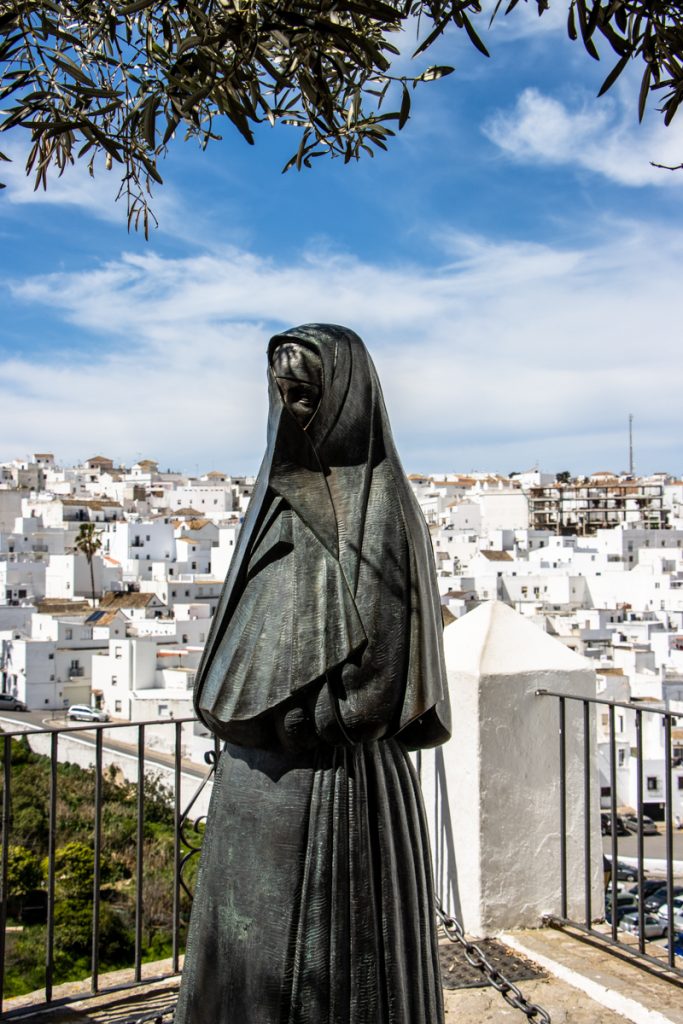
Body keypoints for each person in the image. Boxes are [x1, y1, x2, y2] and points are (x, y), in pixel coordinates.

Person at [175, 324, 451, 1024]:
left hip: (331, 784)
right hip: (255, 779)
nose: (292, 405)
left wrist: (305, 717)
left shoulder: (380, 506)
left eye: (306, 392)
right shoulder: (272, 501)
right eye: (282, 392)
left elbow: (380, 675)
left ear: (348, 397)